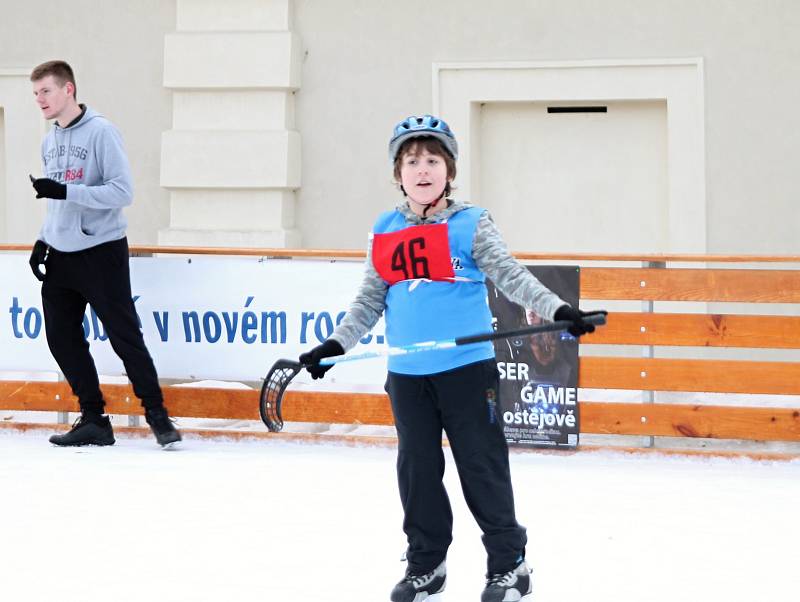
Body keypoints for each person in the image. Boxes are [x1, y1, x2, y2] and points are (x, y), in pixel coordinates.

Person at [298, 114, 597, 601]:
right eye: (411, 160)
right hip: (408, 375)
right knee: (417, 473)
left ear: (449, 171)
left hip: (465, 371)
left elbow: (511, 276)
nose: (422, 169)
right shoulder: (385, 229)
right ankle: (426, 565)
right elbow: (370, 300)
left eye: (432, 160)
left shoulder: (470, 224)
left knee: (481, 467)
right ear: (398, 173)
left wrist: (560, 309)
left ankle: (510, 565)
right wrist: (334, 346)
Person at [28, 60, 180, 448]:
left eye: (46, 91)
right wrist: (44, 239)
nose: (40, 99)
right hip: (61, 255)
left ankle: (159, 418)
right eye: (35, 93)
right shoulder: (49, 140)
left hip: (101, 252)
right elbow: (56, 203)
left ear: (68, 90)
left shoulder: (101, 132)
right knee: (61, 339)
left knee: (123, 336)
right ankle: (94, 418)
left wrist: (67, 193)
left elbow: (122, 192)